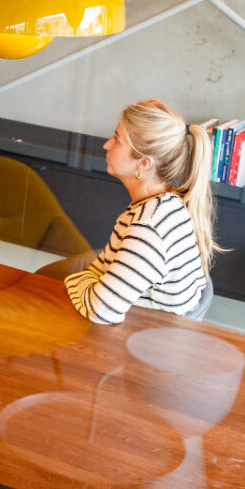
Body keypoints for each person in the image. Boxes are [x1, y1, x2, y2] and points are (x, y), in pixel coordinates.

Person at [64, 99, 219, 325]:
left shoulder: (149, 228)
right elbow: (99, 269)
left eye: (117, 139)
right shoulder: (163, 203)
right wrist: (88, 281)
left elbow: (101, 310)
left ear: (143, 164)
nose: (107, 145)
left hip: (143, 335)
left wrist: (73, 281)